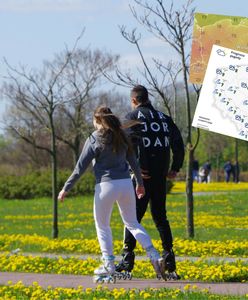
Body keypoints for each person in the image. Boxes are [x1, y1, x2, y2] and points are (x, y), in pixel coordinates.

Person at [58, 105, 166, 281]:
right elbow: (134, 162)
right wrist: (139, 184)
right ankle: (154, 255)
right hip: (125, 185)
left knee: (103, 226)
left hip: (105, 186)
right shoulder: (122, 136)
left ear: (98, 120)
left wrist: (65, 189)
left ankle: (108, 264)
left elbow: (79, 168)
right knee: (132, 223)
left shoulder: (94, 138)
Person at [115, 85, 185, 278]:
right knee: (160, 217)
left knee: (132, 218)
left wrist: (138, 168)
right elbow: (178, 144)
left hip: (141, 178)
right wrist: (175, 167)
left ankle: (127, 259)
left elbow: (131, 145)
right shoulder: (164, 118)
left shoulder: (131, 118)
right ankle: (169, 258)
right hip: (160, 176)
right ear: (147, 98)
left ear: (134, 101)